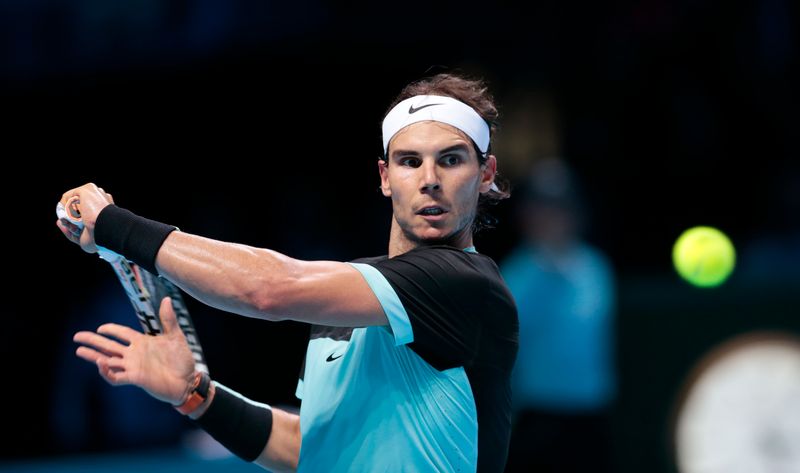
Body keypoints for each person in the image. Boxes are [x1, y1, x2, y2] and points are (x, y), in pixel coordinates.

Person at [56, 73, 518, 473]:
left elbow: (267, 289)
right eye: (409, 161)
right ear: (384, 176)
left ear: (485, 173)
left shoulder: (467, 284)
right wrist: (197, 396)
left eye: (452, 159)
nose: (429, 178)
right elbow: (306, 448)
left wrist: (115, 226)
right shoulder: (350, 294)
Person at [501, 158, 616, 473]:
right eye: (542, 207)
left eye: (560, 207)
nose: (552, 216)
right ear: (527, 215)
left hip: (593, 416)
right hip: (538, 417)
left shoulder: (597, 268)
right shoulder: (515, 275)